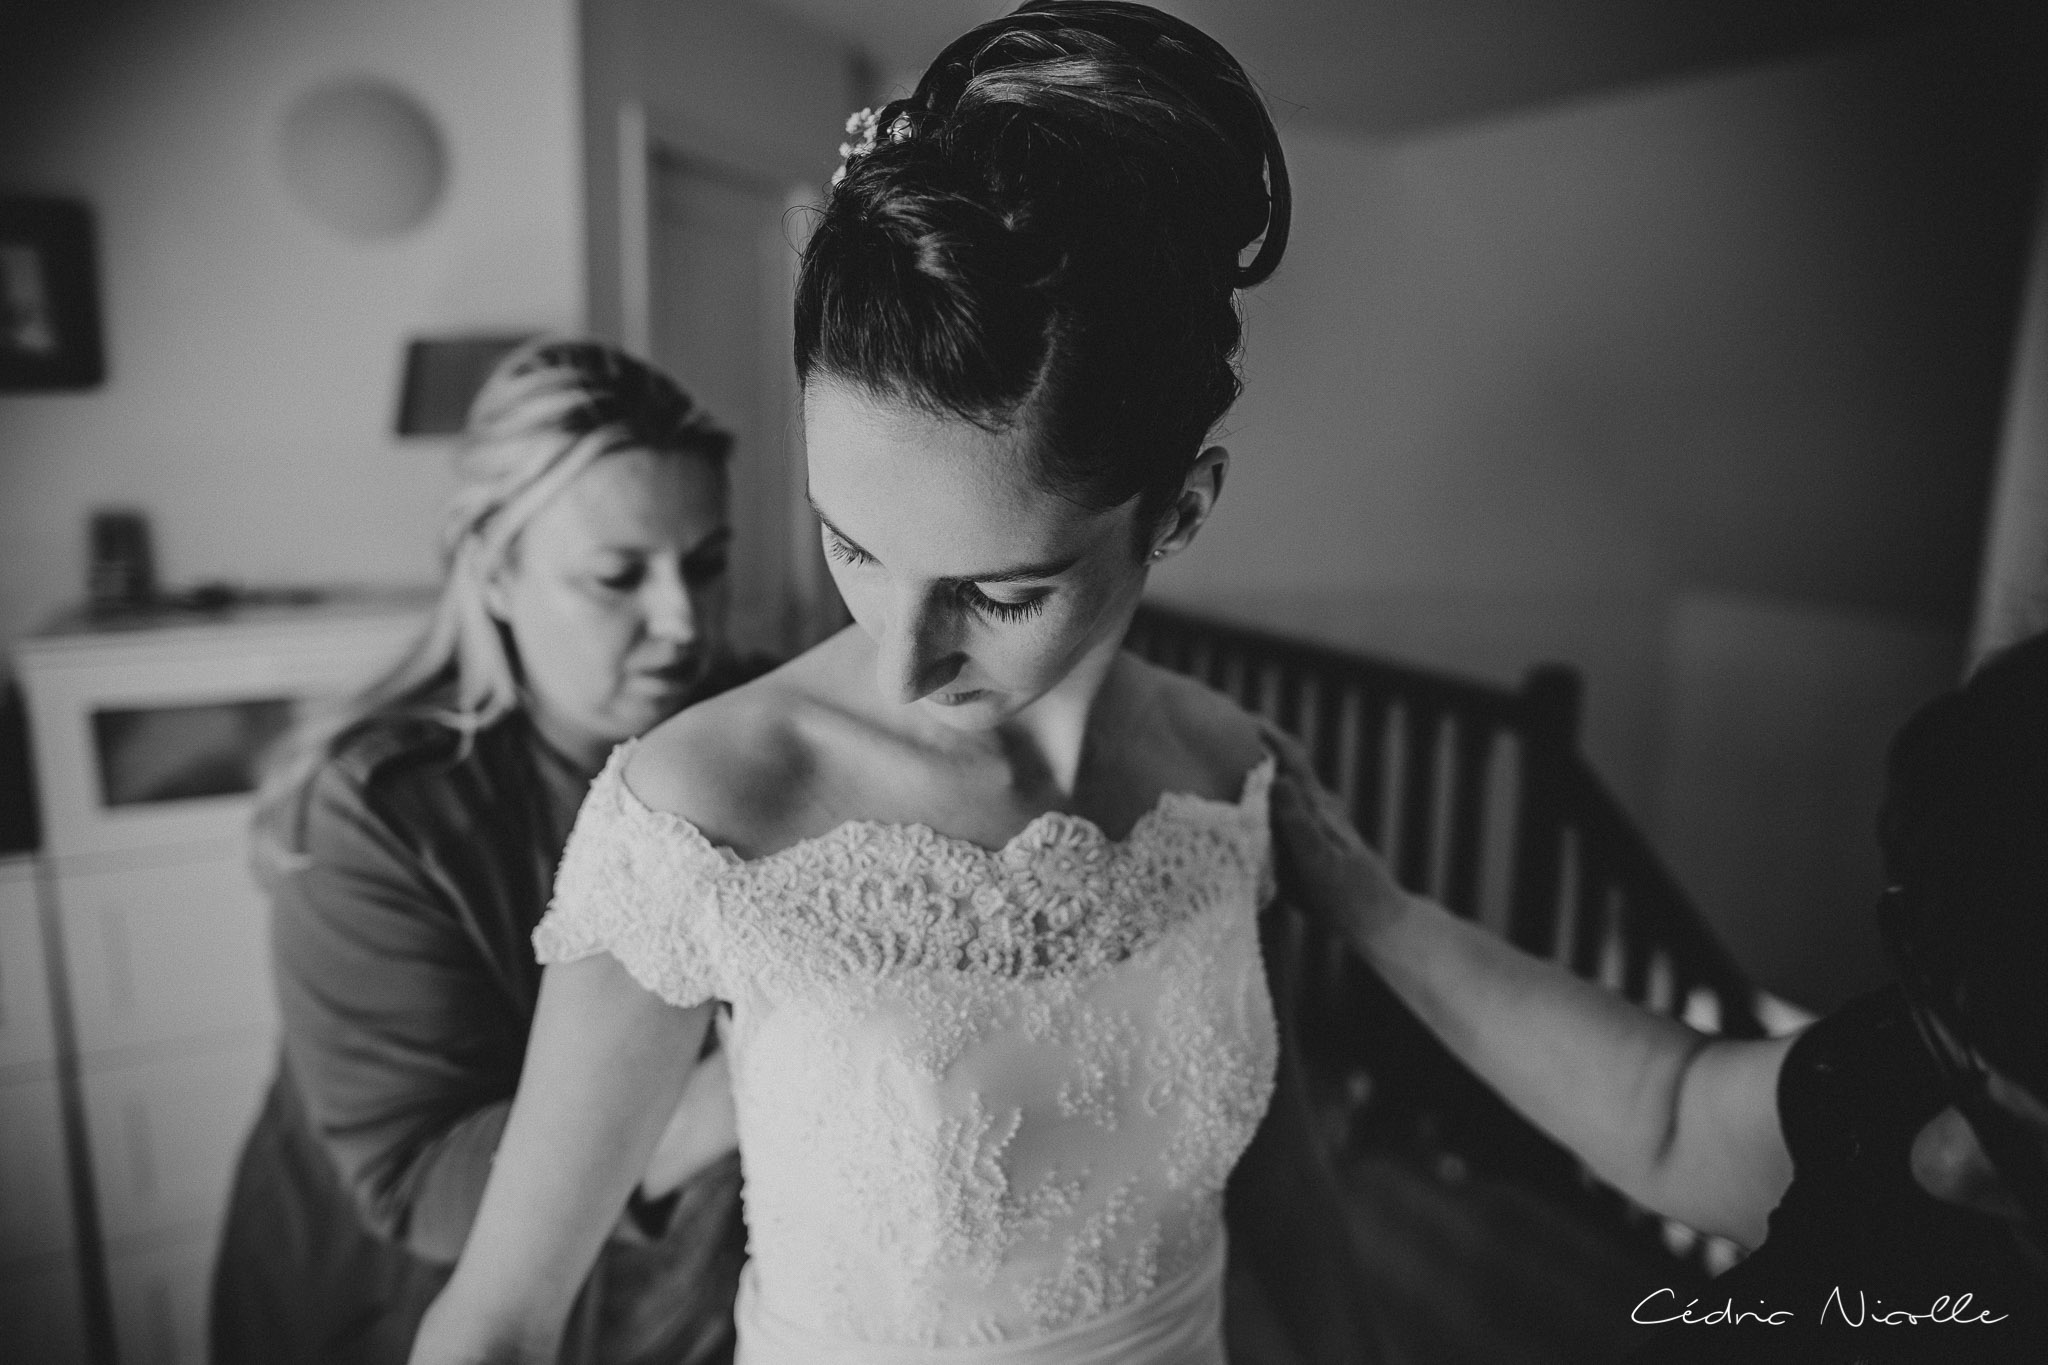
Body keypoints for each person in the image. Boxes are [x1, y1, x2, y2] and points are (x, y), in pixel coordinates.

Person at [407, 6, 1377, 1364]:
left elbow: (1277, 1183)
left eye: (1000, 589)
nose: (902, 653)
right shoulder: (698, 812)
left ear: (1181, 508)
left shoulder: (1222, 770)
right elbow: (500, 1321)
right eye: (849, 542)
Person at [1267, 629, 2048, 1362]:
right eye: (1953, 1059)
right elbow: (1668, 1112)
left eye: (2028, 1159)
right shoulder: (1933, 1053)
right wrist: (1373, 908)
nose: (1941, 1157)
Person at [211, 339, 763, 1365]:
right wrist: (757, 1077)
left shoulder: (756, 727)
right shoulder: (373, 815)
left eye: (706, 562)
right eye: (615, 576)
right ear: (495, 573)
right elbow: (416, 1177)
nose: (682, 620)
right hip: (405, 1301)